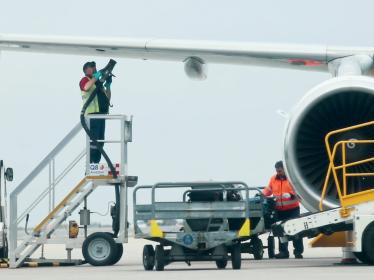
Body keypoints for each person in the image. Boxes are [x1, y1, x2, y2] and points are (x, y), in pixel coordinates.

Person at [263, 160, 304, 259]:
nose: (278, 173)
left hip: (292, 209)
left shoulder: (292, 178)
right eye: (277, 171)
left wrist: (290, 195)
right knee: (280, 231)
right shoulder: (273, 179)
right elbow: (268, 190)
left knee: (296, 230)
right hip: (279, 210)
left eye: (280, 171)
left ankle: (298, 252)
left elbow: (298, 192)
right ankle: (283, 252)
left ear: (285, 169)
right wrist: (261, 194)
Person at [79, 61, 112, 163]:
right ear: (86, 70)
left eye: (94, 67)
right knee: (94, 140)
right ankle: (91, 163)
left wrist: (108, 86)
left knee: (100, 141)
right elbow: (86, 87)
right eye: (91, 67)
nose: (94, 68)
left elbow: (107, 99)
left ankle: (96, 163)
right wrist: (96, 77)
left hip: (101, 114)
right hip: (92, 116)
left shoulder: (98, 83)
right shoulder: (85, 80)